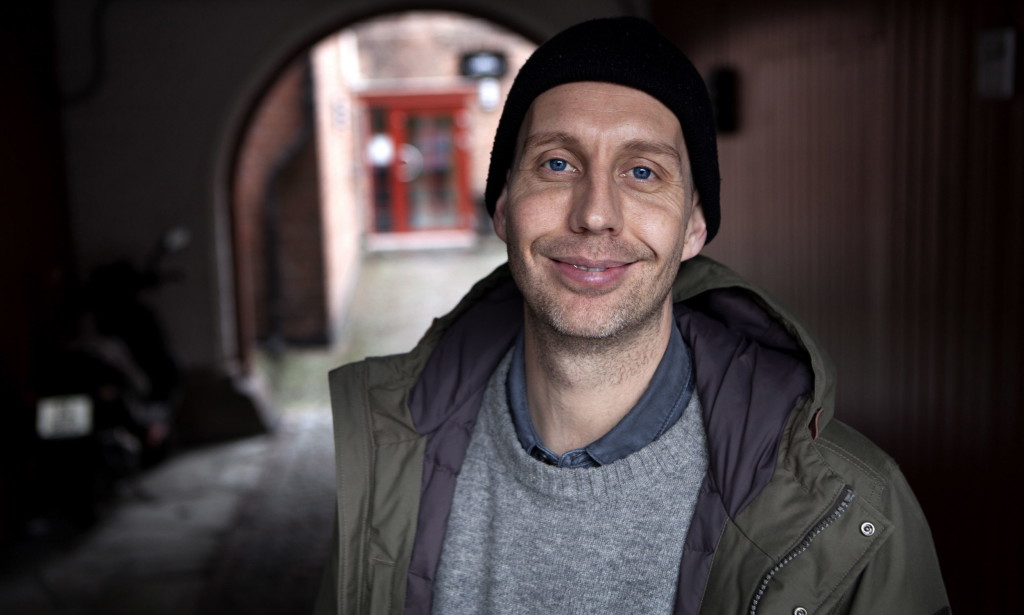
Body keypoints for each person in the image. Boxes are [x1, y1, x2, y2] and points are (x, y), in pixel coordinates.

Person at [315, 16, 950, 615]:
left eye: (642, 171)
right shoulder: (385, 456)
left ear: (694, 225)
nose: (596, 213)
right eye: (557, 163)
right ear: (505, 207)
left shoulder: (851, 515)